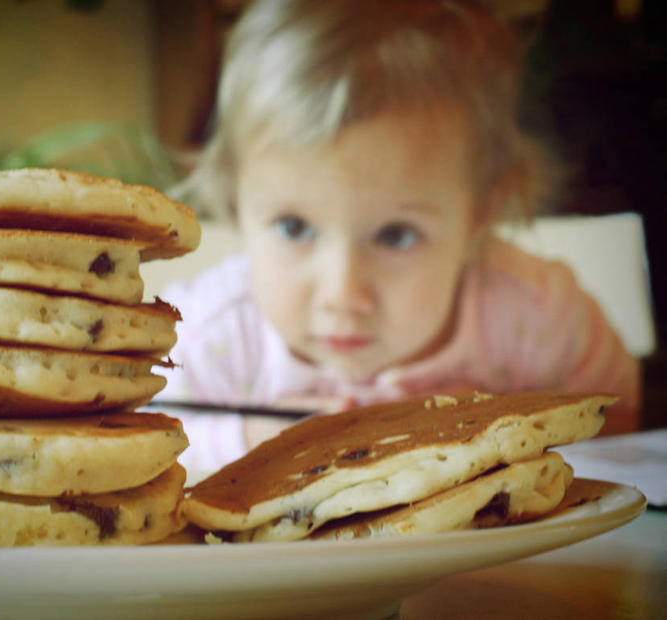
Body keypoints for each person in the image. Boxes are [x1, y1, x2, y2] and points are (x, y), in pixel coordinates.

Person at [155, 0, 641, 476]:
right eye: (294, 227)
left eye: (396, 234)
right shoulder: (204, 335)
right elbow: (137, 440)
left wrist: (505, 441)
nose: (343, 296)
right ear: (235, 201)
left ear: (481, 213)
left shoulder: (536, 315)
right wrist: (245, 442)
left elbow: (617, 424)